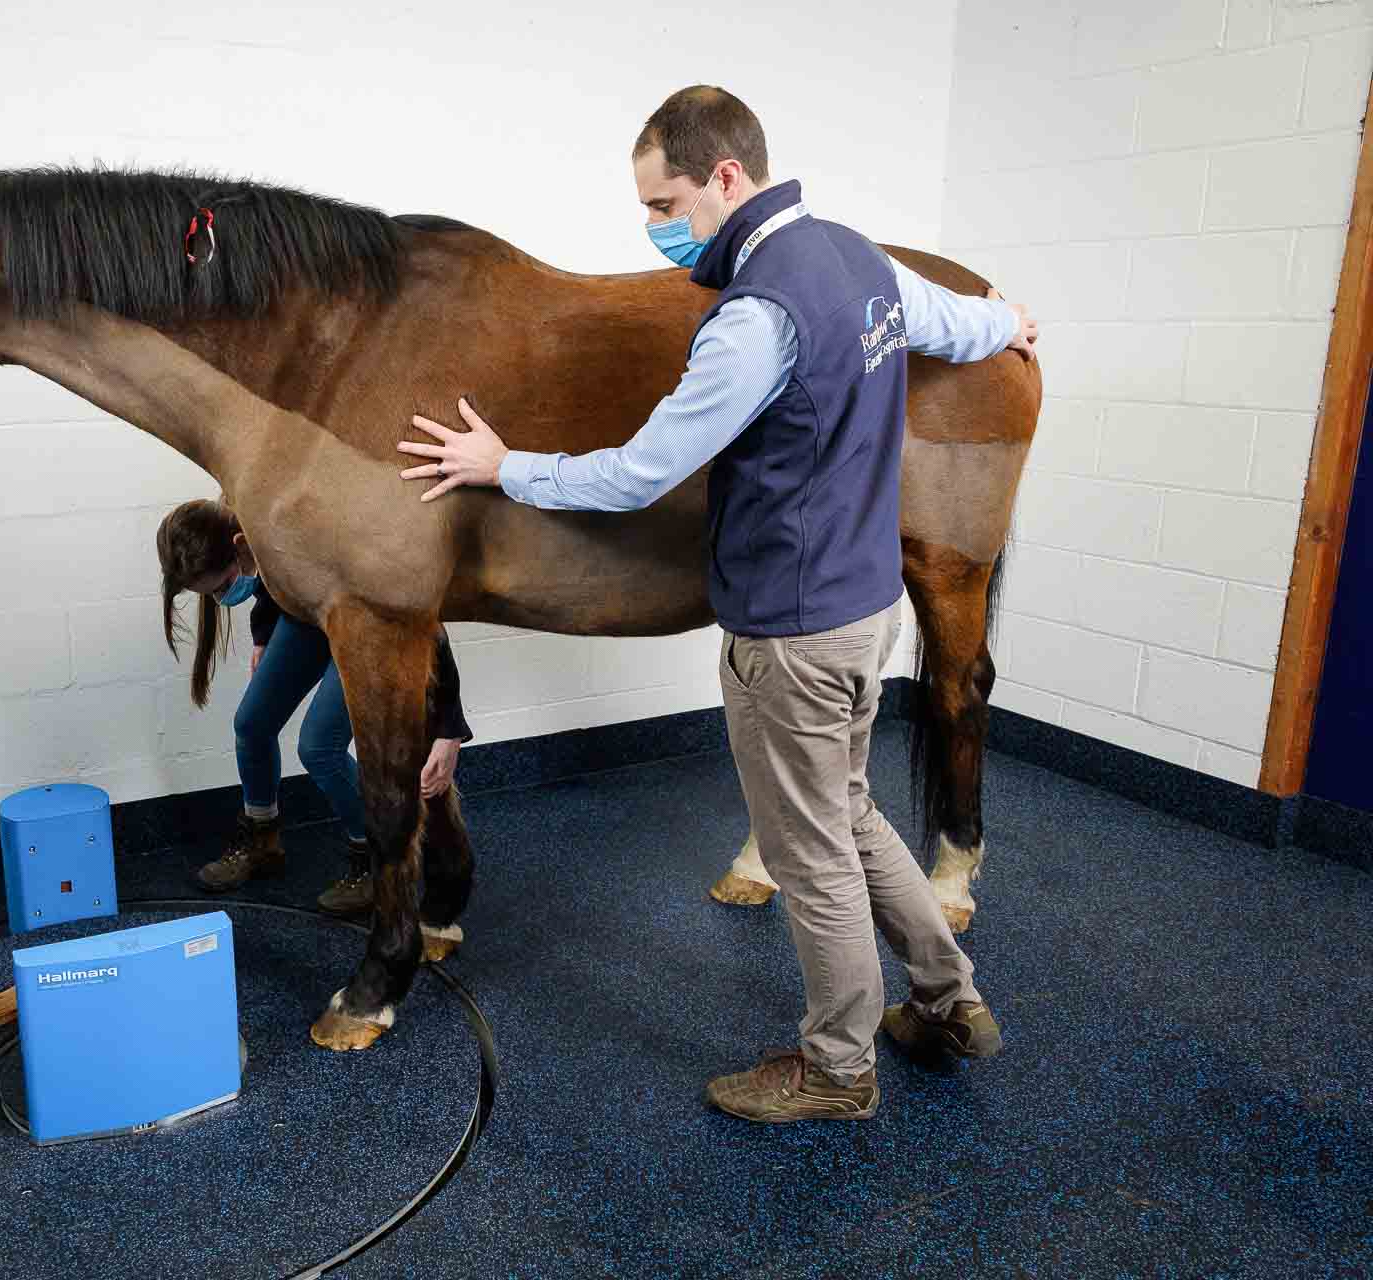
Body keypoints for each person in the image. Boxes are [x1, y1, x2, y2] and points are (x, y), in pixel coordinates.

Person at [397, 85, 1038, 1123]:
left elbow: (639, 474)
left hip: (790, 631)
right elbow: (952, 321)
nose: (658, 226)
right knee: (850, 811)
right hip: (862, 608)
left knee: (808, 852)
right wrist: (1008, 322)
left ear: (726, 177)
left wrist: (503, 464)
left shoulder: (753, 319)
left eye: (666, 203)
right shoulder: (858, 257)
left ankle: (837, 1068)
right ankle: (947, 996)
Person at [157, 499, 471, 914]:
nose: (222, 597)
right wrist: (263, 637)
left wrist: (449, 730)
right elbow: (270, 581)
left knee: (319, 746)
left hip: (367, 623)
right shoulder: (258, 526)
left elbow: (428, 624)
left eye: (223, 585)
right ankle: (262, 840)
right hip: (309, 617)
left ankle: (377, 861)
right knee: (251, 724)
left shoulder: (319, 538)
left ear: (239, 545)